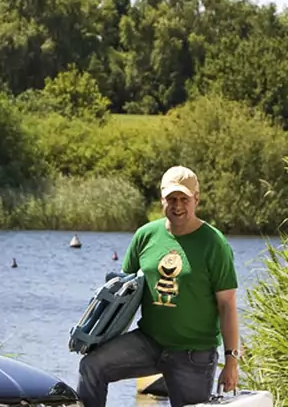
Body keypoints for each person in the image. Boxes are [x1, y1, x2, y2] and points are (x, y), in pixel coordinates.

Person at [76, 165, 240, 407]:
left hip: (193, 354)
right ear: (162, 199)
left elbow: (227, 305)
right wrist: (97, 334)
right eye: (171, 198)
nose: (177, 206)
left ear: (196, 199)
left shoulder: (214, 243)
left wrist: (231, 361)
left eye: (184, 198)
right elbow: (123, 291)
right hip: (148, 342)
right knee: (91, 366)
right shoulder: (146, 236)